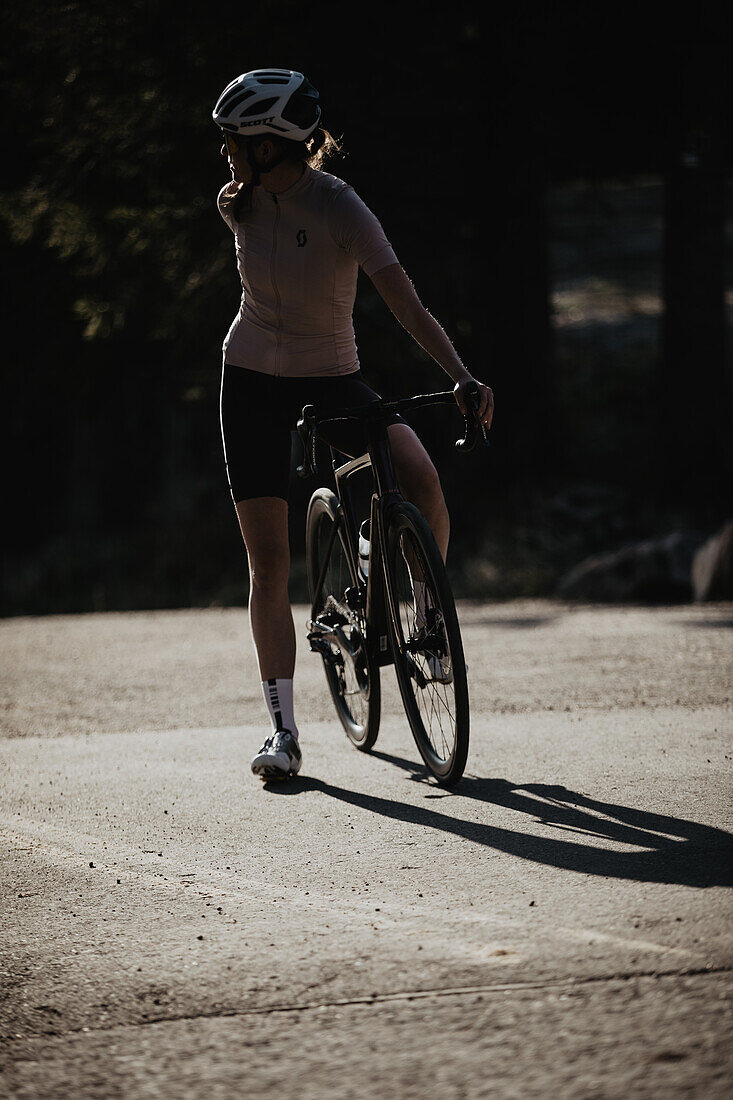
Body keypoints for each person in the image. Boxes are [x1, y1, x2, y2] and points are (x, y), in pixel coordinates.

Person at [213, 69, 493, 781]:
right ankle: (281, 732)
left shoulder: (338, 205)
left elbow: (405, 302)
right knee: (268, 561)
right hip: (248, 382)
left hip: (330, 378)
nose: (226, 153)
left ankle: (424, 624)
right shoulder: (238, 199)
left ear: (274, 146)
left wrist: (459, 374)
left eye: (236, 141)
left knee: (424, 485)